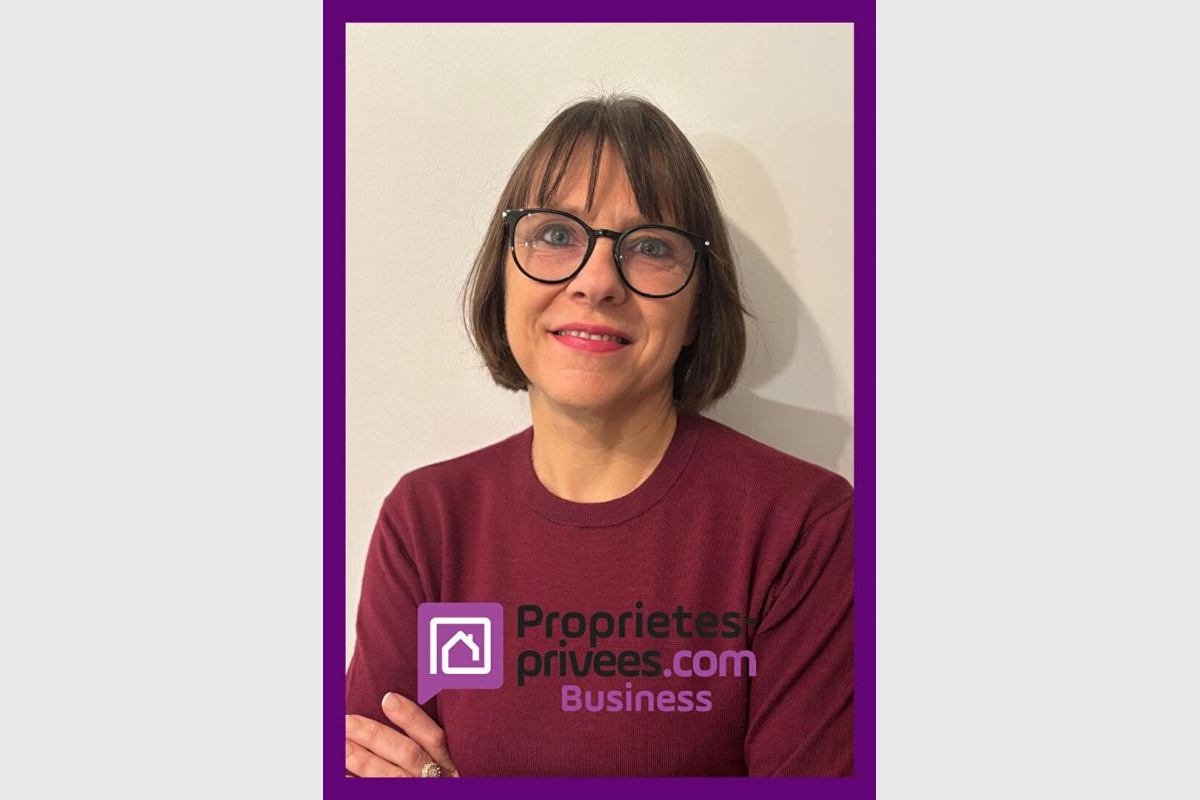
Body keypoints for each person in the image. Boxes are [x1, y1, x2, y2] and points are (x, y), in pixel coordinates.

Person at [344, 94, 854, 778]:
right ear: (503, 274)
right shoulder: (429, 520)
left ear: (697, 309)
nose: (595, 282)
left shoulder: (802, 528)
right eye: (556, 234)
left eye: (650, 247)